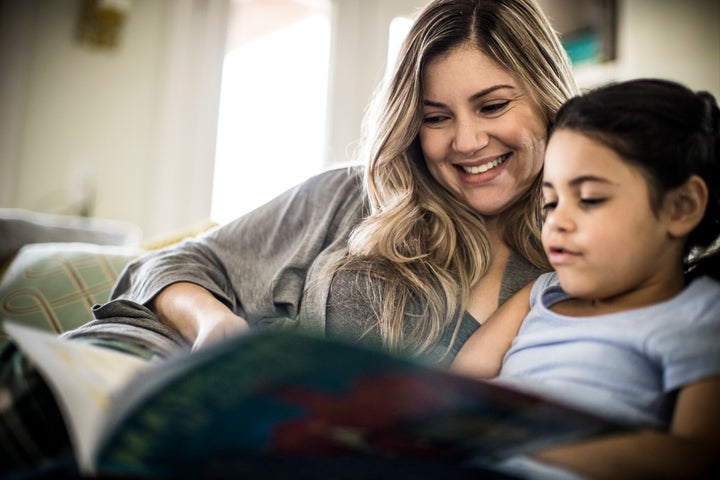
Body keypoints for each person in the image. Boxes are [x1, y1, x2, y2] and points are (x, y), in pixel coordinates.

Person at [1, 0, 578, 475]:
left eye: (493, 105)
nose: (467, 141)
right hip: (164, 369)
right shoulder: (352, 197)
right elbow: (175, 263)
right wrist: (214, 326)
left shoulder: (586, 261)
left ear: (547, 98)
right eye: (435, 117)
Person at [451, 78, 720, 480]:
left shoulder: (700, 315)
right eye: (550, 202)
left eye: (590, 198)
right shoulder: (541, 294)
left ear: (681, 207)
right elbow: (457, 384)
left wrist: (526, 439)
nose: (558, 222)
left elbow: (696, 454)